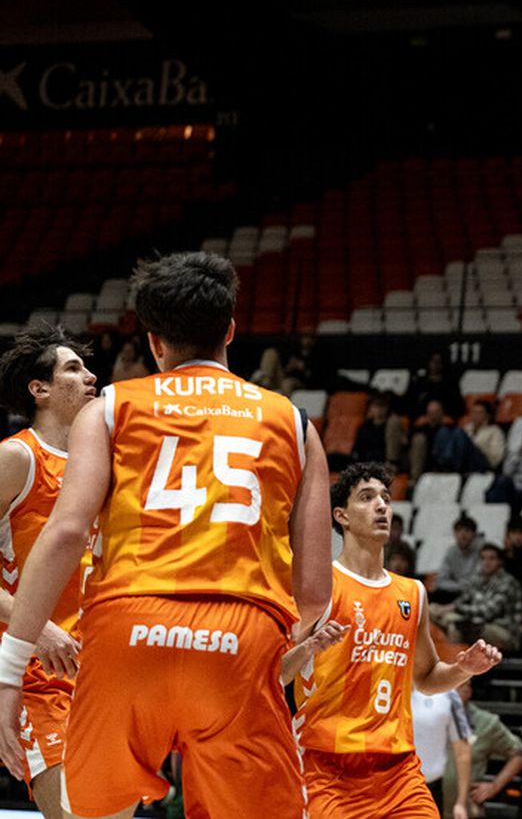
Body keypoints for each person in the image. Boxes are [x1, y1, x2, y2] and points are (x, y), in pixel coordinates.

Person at [0, 252, 332, 816]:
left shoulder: (110, 409)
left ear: (153, 341)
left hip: (125, 631)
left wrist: (10, 669)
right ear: (229, 329)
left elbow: (66, 532)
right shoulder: (293, 421)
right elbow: (316, 591)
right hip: (239, 633)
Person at [292, 462, 503, 819]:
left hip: (398, 772)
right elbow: (277, 673)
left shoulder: (413, 592)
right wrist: (307, 648)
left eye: (386, 498)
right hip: (328, 770)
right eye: (367, 497)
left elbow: (427, 678)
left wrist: (463, 669)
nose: (381, 506)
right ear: (341, 516)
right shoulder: (318, 585)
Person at [0, 326, 100, 818]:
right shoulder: (17, 457)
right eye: (72, 368)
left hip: (103, 670)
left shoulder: (101, 462)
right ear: (38, 389)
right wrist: (35, 627)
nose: (91, 376)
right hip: (40, 674)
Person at [446, 679, 522, 818]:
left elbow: (519, 755)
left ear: (469, 690)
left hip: (467, 811)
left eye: (458, 687)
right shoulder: (426, 720)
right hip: (425, 807)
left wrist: (494, 786)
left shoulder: (486, 723)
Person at [438, 544, 522, 650]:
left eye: (491, 558)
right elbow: (463, 598)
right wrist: (445, 609)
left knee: (458, 626)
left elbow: (488, 612)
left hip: (503, 631)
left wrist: (456, 609)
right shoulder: (478, 579)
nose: (486, 562)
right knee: (433, 611)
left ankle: (454, 663)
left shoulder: (507, 582)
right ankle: (450, 661)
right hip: (478, 623)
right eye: (483, 558)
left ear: (500, 562)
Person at [411, 685, 475, 815]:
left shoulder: (449, 695)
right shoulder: (386, 690)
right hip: (388, 785)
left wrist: (461, 802)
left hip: (429, 788)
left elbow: (462, 751)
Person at [433, 514, 485, 604]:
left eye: (467, 531)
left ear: (474, 534)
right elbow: (441, 580)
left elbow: (478, 581)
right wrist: (459, 586)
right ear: (454, 533)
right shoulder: (451, 551)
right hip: (457, 591)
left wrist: (459, 585)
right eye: (459, 531)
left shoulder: (482, 550)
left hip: (477, 592)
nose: (463, 534)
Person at [354, 391, 407, 467]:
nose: (378, 410)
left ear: (387, 407)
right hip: (366, 462)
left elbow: (397, 447)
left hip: (384, 462)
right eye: (375, 406)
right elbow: (357, 449)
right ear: (370, 408)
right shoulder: (364, 426)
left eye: (381, 406)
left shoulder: (392, 426)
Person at [461, 399, 507, 471]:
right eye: (474, 412)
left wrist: (478, 449)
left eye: (479, 413)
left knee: (457, 434)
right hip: (465, 462)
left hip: (483, 463)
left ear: (487, 415)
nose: (475, 415)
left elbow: (495, 458)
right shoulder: (467, 428)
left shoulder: (495, 431)